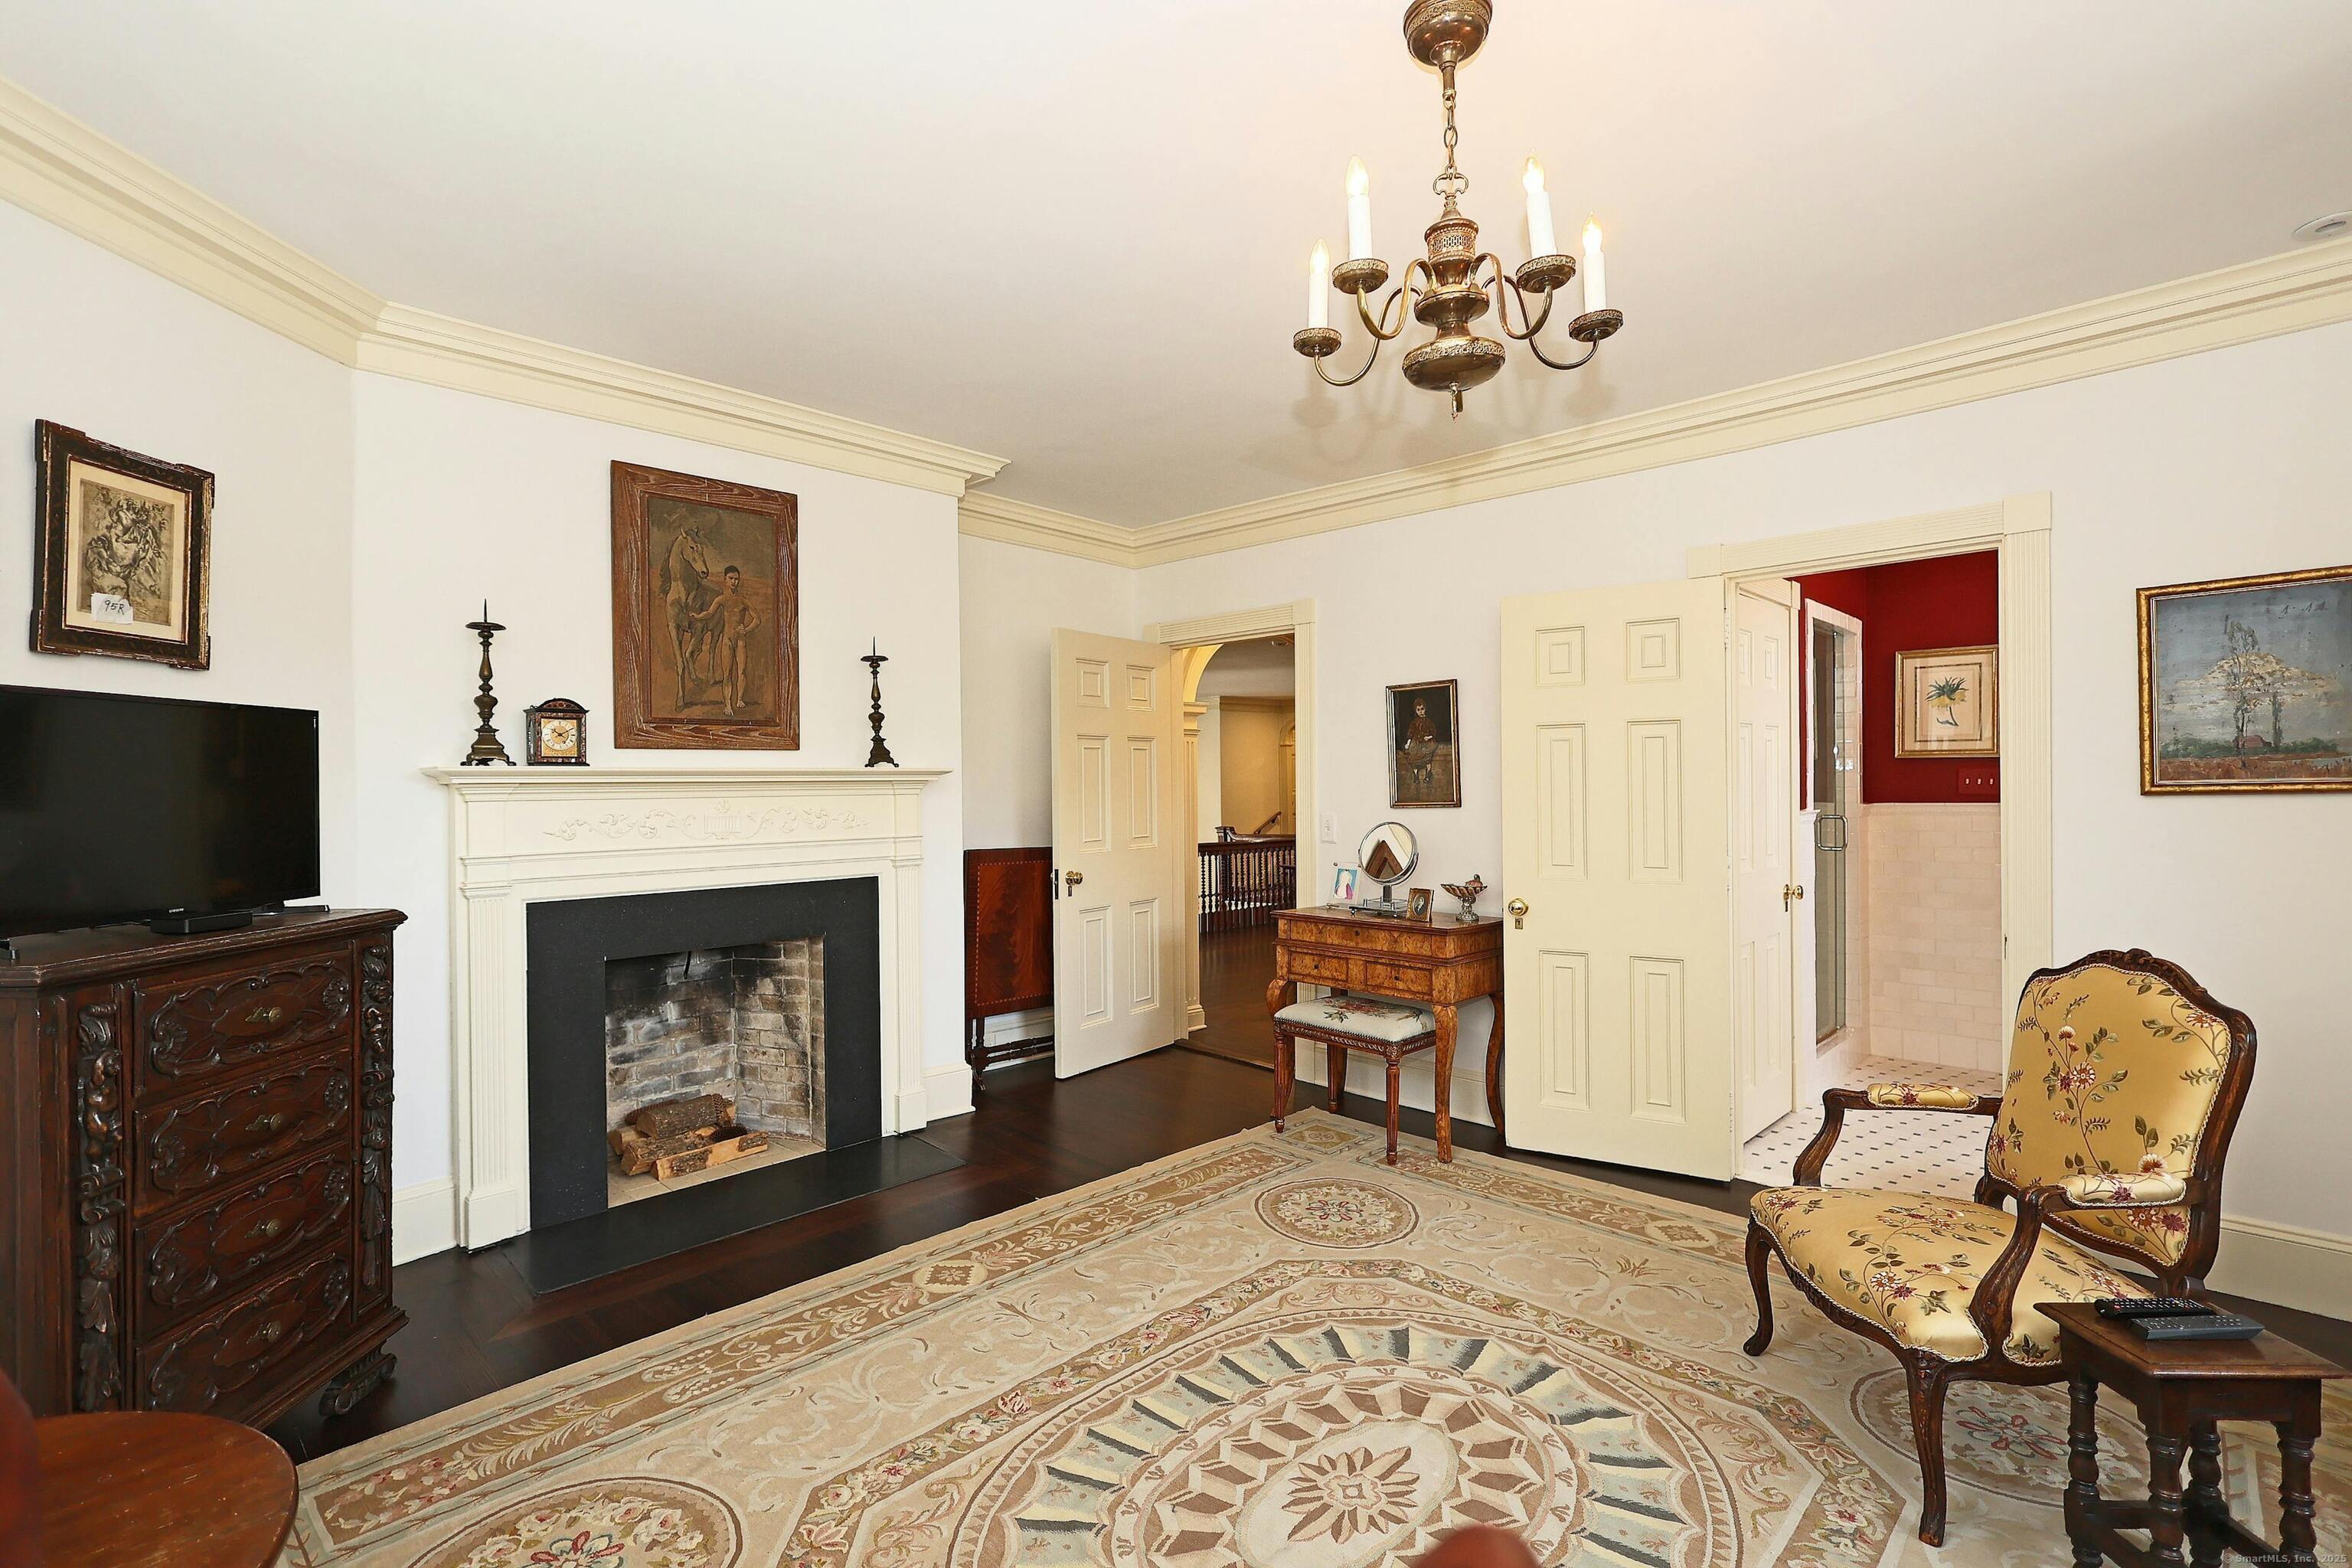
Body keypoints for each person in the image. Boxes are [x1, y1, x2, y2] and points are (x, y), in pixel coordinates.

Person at [692, 565, 761, 714]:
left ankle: (740, 699)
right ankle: (728, 705)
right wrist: (697, 617)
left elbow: (757, 619)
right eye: (731, 579)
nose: (734, 582)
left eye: (736, 579)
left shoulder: (743, 600)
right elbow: (709, 613)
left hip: (741, 640)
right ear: (725, 580)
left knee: (741, 671)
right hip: (727, 640)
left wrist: (747, 629)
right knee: (727, 674)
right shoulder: (721, 599)